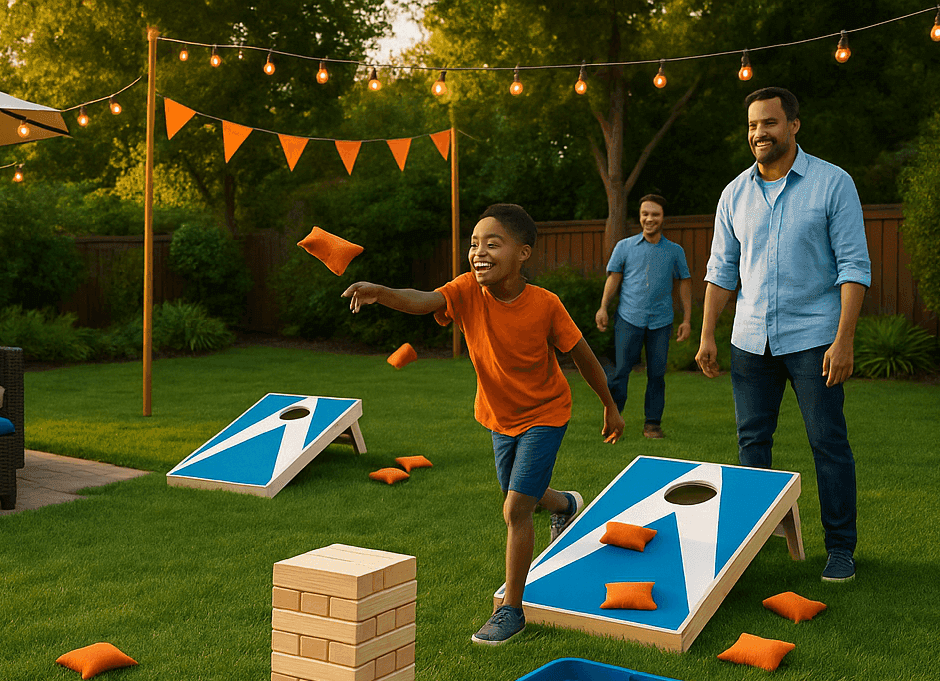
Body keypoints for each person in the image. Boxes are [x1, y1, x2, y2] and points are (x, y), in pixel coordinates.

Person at [343, 203, 625, 645]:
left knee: (514, 509)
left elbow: (582, 355)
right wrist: (384, 291)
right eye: (474, 244)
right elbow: (424, 300)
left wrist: (609, 405)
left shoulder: (545, 304)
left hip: (546, 414)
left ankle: (511, 610)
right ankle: (565, 505)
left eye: (493, 243)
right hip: (498, 417)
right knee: (522, 497)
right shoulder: (466, 291)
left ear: (523, 253)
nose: (479, 252)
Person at [697, 87, 869, 583]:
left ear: (794, 125)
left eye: (769, 123)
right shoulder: (734, 194)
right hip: (750, 341)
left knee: (828, 443)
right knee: (752, 445)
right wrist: (708, 334)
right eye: (752, 125)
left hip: (815, 338)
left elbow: (854, 266)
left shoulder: (832, 183)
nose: (758, 133)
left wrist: (844, 339)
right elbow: (721, 270)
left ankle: (840, 549)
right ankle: (755, 543)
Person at [595, 193, 692, 439]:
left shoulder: (674, 251)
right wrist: (603, 307)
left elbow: (684, 282)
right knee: (621, 372)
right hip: (629, 318)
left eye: (655, 214)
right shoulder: (624, 247)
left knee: (657, 374)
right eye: (645, 214)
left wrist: (687, 320)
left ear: (663, 218)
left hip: (661, 321)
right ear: (639, 217)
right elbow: (613, 278)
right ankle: (614, 422)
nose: (649, 219)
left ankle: (652, 424)